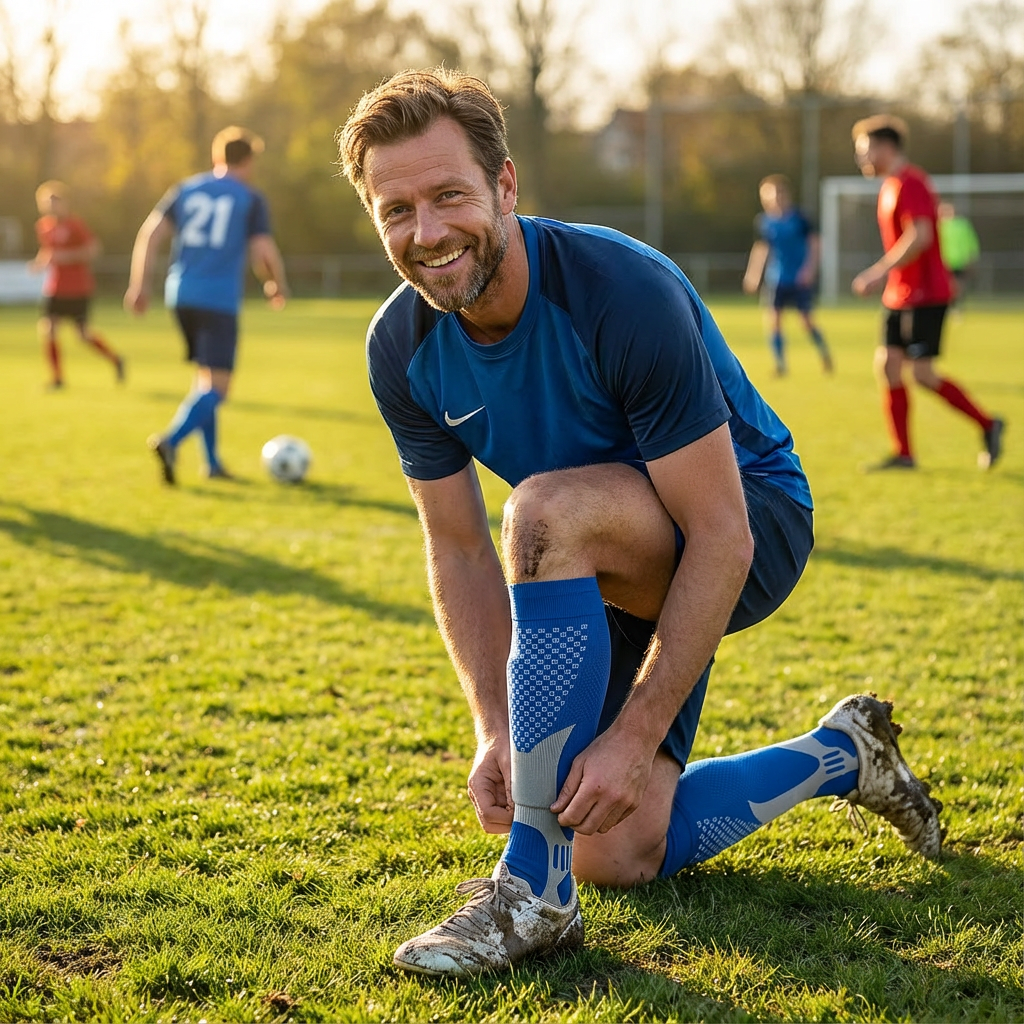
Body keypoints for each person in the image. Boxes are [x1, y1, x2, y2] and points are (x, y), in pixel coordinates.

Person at [339, 69, 943, 978]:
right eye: (396, 210)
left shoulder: (619, 291)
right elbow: (456, 546)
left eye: (449, 196)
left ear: (505, 187)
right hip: (594, 562)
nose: (426, 234)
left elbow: (725, 534)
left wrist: (630, 734)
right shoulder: (403, 346)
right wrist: (495, 728)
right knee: (615, 850)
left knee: (543, 509)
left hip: (747, 520)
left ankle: (529, 894)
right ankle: (842, 754)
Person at [124, 126, 289, 483]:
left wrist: (139, 285)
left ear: (217, 157)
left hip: (179, 293)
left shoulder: (185, 189)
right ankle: (171, 441)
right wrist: (276, 282)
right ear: (248, 160)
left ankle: (212, 464)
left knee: (206, 381)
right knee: (219, 389)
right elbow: (263, 249)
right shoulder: (249, 198)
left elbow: (150, 234)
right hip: (218, 300)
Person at [851, 115, 1004, 470]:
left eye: (865, 151)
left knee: (922, 373)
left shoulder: (912, 182)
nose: (861, 159)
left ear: (885, 148)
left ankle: (989, 424)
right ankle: (904, 454)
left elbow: (920, 236)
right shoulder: (890, 186)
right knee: (887, 365)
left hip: (926, 293)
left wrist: (877, 272)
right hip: (899, 294)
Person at [30, 180, 125, 389]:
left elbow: (93, 249)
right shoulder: (44, 226)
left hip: (78, 287)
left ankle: (116, 359)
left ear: (64, 203)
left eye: (55, 201)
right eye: (47, 202)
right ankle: (57, 378)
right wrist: (39, 263)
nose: (51, 205)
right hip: (55, 287)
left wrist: (66, 256)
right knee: (49, 329)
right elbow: (48, 251)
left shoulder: (75, 225)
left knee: (82, 335)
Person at [743, 174, 833, 375]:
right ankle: (780, 365)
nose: (775, 199)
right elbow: (761, 249)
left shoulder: (800, 219)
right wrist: (753, 275)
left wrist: (809, 269)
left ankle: (824, 354)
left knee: (806, 321)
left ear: (785, 194)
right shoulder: (764, 222)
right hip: (777, 278)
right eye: (769, 196)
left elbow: (815, 244)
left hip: (799, 278)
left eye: (778, 194)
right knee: (773, 320)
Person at [937, 201, 980, 306]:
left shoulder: (962, 225)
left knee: (958, 285)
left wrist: (971, 256)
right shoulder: (939, 226)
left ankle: (957, 306)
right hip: (944, 261)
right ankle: (949, 305)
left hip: (959, 260)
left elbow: (971, 241)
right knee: (947, 285)